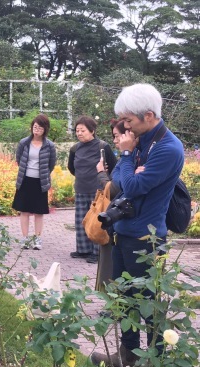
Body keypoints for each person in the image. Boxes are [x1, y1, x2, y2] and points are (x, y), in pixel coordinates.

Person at [91, 83, 184, 366]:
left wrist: (129, 157)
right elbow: (118, 180)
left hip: (146, 239)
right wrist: (129, 161)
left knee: (149, 306)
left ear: (148, 115)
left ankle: (156, 360)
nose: (124, 126)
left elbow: (129, 186)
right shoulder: (141, 140)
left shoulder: (169, 148)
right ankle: (127, 356)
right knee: (124, 300)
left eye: (129, 120)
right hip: (123, 232)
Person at [67, 116, 117, 263]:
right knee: (81, 220)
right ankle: (83, 249)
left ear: (92, 131)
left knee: (97, 221)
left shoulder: (103, 146)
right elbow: (71, 167)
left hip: (98, 191)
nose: (79, 133)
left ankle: (97, 252)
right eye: (77, 130)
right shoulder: (75, 148)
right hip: (81, 189)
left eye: (83, 130)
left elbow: (114, 167)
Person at [12, 114, 57, 250]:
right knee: (24, 211)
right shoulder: (24, 143)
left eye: (40, 127)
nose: (36, 129)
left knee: (39, 212)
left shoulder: (49, 145)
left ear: (45, 129)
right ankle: (25, 239)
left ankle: (37, 239)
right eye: (35, 126)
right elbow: (19, 159)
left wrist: (43, 174)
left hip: (40, 181)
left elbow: (51, 164)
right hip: (25, 180)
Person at [94, 119, 126, 291]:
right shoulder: (125, 158)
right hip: (115, 220)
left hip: (119, 219)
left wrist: (100, 173)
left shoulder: (129, 158)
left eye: (116, 136)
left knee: (112, 265)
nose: (114, 140)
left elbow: (114, 189)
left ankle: (112, 303)